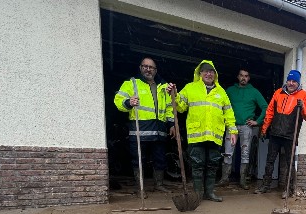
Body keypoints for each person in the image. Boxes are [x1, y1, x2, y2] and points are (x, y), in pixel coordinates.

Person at [172, 60, 237, 202]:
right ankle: (198, 194)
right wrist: (174, 95)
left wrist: (233, 131)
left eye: (211, 71)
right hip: (197, 135)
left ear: (215, 74)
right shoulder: (190, 88)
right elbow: (180, 107)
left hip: (215, 135)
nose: (209, 73)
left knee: (213, 164)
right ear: (199, 73)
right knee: (197, 164)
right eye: (205, 71)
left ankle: (209, 193)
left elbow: (229, 113)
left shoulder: (221, 92)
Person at [114, 57, 175, 197]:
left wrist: (171, 124)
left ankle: (158, 185)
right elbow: (118, 100)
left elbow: (169, 107)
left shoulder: (163, 86)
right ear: (140, 67)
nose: (148, 69)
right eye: (145, 66)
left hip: (159, 130)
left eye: (151, 67)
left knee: (160, 158)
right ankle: (140, 188)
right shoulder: (131, 83)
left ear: (155, 70)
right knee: (139, 160)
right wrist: (128, 102)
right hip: (139, 130)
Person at [256, 70, 306, 198]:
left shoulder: (304, 95)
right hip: (275, 133)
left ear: (298, 83)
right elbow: (270, 112)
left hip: (290, 136)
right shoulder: (278, 93)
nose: (291, 83)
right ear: (286, 81)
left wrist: (303, 107)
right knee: (269, 161)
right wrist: (264, 128)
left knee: (290, 163)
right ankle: (265, 185)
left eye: (294, 81)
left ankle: (289, 189)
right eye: (289, 80)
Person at [218, 68, 268, 190]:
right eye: (241, 75)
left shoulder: (254, 92)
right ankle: (225, 179)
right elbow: (220, 104)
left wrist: (257, 121)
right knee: (228, 153)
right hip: (232, 126)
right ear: (238, 76)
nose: (243, 78)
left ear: (249, 78)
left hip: (246, 127)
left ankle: (242, 180)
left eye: (246, 76)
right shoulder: (230, 90)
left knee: (245, 154)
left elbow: (265, 107)